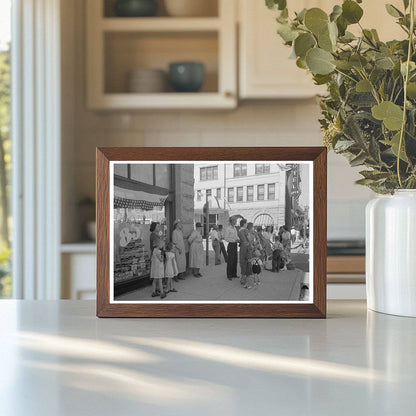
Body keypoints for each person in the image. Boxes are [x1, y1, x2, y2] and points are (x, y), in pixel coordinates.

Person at [238, 219, 251, 286]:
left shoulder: (239, 231)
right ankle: (246, 278)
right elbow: (249, 238)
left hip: (242, 246)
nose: (247, 224)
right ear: (244, 224)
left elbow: (239, 239)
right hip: (247, 246)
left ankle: (242, 277)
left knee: (242, 262)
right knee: (248, 261)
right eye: (246, 223)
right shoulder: (246, 230)